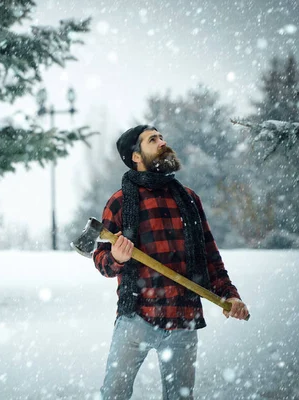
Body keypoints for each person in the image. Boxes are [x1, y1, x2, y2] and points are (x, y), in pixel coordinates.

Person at [93, 125, 249, 400]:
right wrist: (116, 258)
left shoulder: (188, 199)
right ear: (136, 156)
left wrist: (230, 295)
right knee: (113, 395)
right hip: (136, 318)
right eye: (153, 139)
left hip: (183, 320)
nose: (162, 142)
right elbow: (101, 260)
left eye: (162, 136)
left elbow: (211, 258)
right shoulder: (119, 203)